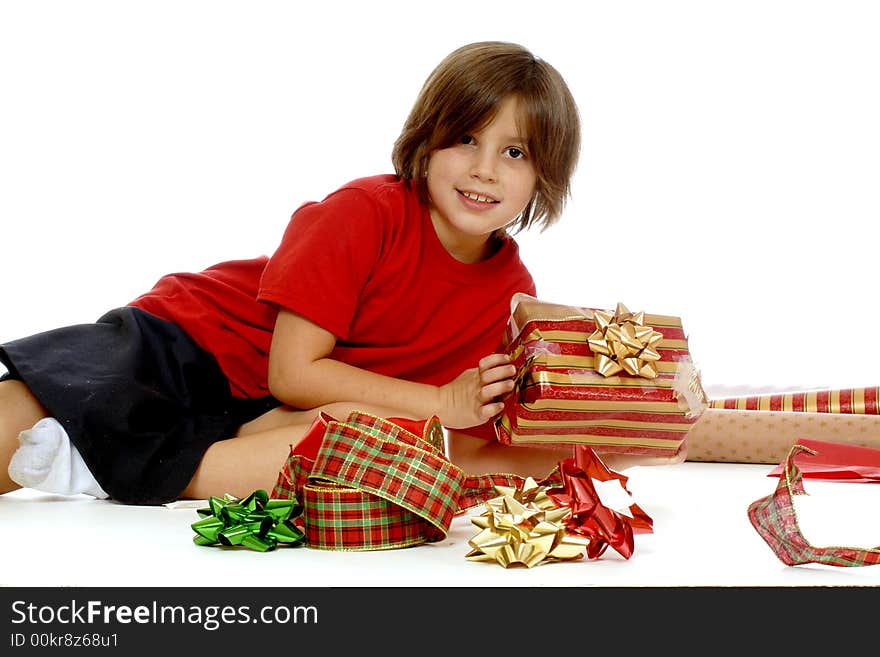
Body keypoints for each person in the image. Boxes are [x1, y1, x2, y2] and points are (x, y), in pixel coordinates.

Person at [0, 41, 582, 505]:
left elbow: (461, 444)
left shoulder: (510, 297)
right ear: (427, 144)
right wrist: (441, 400)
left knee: (380, 438)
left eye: (514, 153)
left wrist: (617, 445)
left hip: (253, 425)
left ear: (543, 176)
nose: (483, 170)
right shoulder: (365, 214)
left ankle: (105, 471)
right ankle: (109, 461)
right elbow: (294, 372)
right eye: (465, 139)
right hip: (181, 356)